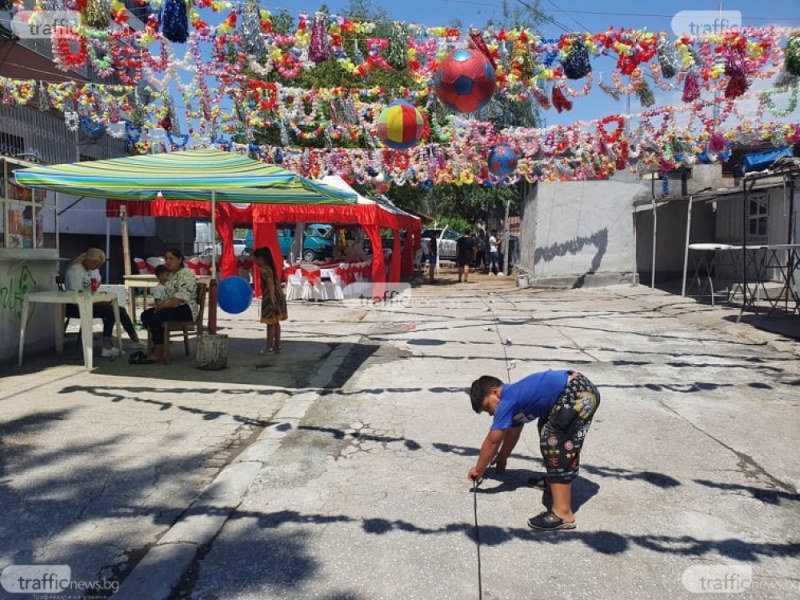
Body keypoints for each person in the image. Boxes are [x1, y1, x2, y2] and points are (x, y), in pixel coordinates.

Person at [467, 369, 601, 531]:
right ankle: (554, 482)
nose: (491, 414)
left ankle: (563, 513)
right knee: (547, 431)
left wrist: (479, 469)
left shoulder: (507, 400)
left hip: (576, 392)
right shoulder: (515, 403)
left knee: (555, 442)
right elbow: (512, 434)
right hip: (576, 390)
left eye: (488, 408)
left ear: (495, 392)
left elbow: (493, 440)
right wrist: (502, 457)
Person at [64, 247, 141, 358]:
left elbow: (91, 288)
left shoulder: (90, 271)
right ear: (89, 260)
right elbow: (77, 295)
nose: (96, 267)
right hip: (76, 305)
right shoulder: (75, 271)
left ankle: (135, 340)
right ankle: (107, 345)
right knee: (110, 312)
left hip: (89, 302)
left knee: (119, 310)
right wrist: (98, 302)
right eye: (96, 264)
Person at [138, 248, 198, 364]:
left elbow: (179, 299)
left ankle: (158, 350)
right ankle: (160, 342)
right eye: (166, 259)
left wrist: (162, 307)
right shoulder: (170, 275)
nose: (168, 261)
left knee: (157, 316)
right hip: (171, 306)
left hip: (186, 308)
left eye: (171, 258)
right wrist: (159, 304)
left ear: (179, 259)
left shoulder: (186, 274)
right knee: (146, 315)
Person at [253, 247, 288, 354]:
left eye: (255, 258)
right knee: (276, 322)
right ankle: (277, 346)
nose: (254, 261)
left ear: (261, 258)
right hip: (279, 296)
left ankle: (269, 347)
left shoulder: (264, 270)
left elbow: (270, 284)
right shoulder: (270, 268)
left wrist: (272, 299)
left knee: (270, 323)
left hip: (271, 297)